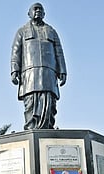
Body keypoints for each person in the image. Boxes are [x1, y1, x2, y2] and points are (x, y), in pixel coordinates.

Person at [11, 2, 67, 130]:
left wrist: (62, 70)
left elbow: (59, 52)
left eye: (40, 9)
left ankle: (47, 130)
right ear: (29, 13)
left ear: (44, 14)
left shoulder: (51, 31)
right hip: (30, 75)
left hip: (49, 74)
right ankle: (32, 130)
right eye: (35, 9)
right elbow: (16, 51)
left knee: (49, 105)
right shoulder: (22, 31)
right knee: (31, 104)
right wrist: (14, 70)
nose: (38, 11)